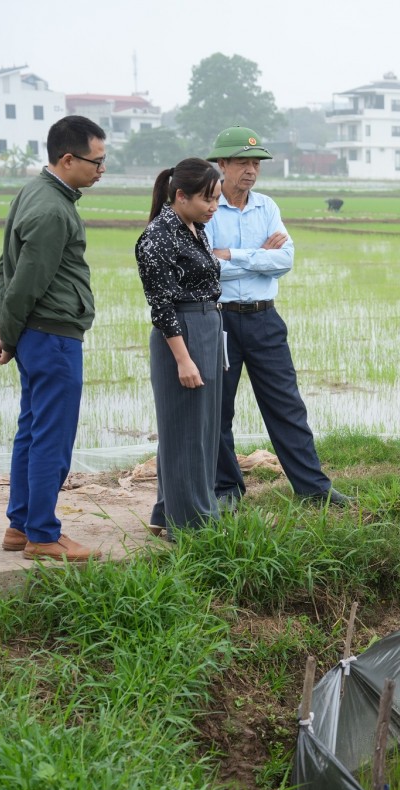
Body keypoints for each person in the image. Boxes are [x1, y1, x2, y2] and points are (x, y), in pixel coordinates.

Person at [205, 126, 349, 508]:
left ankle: (314, 489)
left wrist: (233, 255)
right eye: (241, 162)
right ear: (222, 164)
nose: (250, 170)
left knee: (287, 405)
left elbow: (284, 261)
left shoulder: (267, 207)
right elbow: (205, 266)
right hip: (218, 321)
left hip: (264, 319)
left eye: (255, 163)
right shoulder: (207, 207)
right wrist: (257, 257)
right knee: (219, 409)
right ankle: (226, 490)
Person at [0, 116, 107, 562]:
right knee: (52, 437)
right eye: (97, 161)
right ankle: (42, 534)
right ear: (68, 158)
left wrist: (7, 327)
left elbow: (6, 269)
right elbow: (26, 280)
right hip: (52, 335)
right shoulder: (54, 209)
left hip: (36, 333)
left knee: (32, 431)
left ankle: (19, 526)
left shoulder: (33, 193)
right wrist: (9, 334)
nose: (102, 169)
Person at [135, 158, 224, 536]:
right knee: (185, 432)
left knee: (200, 429)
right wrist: (183, 359)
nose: (214, 207)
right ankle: (192, 526)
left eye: (217, 199)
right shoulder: (158, 236)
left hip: (206, 324)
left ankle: (166, 513)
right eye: (208, 199)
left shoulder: (193, 227)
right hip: (183, 332)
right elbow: (162, 305)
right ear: (181, 195)